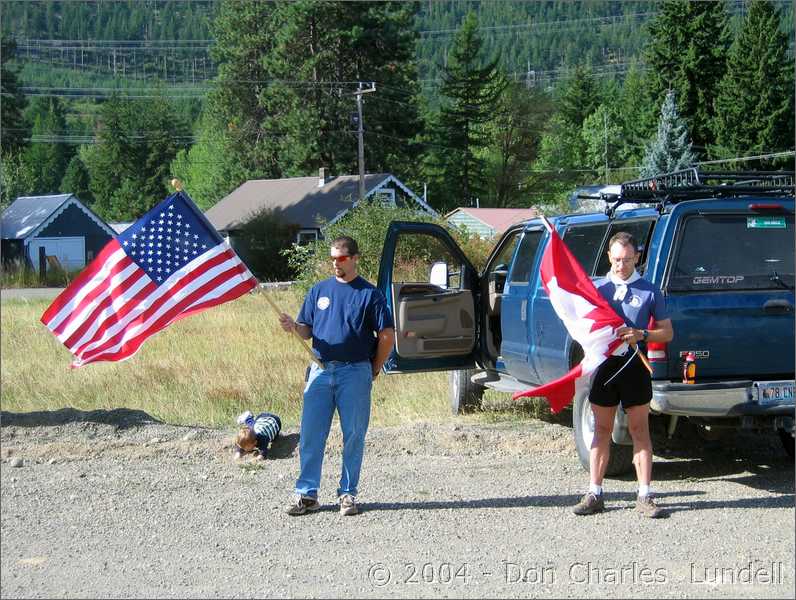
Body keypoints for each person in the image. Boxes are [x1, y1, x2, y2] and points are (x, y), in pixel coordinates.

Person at [278, 236, 395, 516]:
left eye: (341, 258)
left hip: (354, 372)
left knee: (353, 434)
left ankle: (348, 494)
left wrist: (374, 368)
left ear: (355, 258)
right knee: (310, 434)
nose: (335, 263)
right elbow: (307, 329)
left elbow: (387, 336)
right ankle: (307, 495)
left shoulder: (370, 294)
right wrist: (293, 326)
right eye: (332, 258)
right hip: (320, 370)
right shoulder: (319, 291)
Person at [573, 232, 674, 518]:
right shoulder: (596, 290)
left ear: (637, 257)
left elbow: (667, 332)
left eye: (627, 260)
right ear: (609, 257)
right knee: (601, 430)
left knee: (639, 431)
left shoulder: (650, 291)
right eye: (616, 260)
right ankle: (595, 492)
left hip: (634, 367)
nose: (621, 265)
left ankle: (645, 495)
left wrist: (642, 333)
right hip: (605, 367)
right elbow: (581, 325)